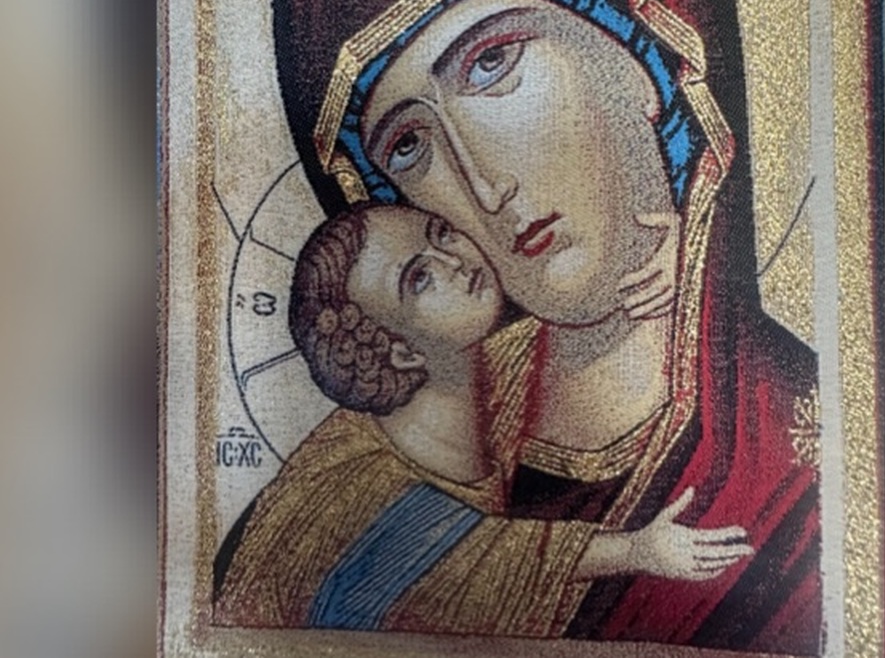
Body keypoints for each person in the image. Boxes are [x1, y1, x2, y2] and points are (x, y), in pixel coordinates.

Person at [262, 0, 822, 653]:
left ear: (640, 48)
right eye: (409, 145)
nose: (483, 187)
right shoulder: (369, 484)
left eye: (493, 62)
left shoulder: (812, 472)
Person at [215, 203, 754, 632]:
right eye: (420, 278)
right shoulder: (355, 490)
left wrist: (684, 254)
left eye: (441, 233)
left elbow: (584, 332)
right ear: (400, 351)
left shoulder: (488, 366)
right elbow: (471, 560)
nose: (456, 261)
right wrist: (637, 550)